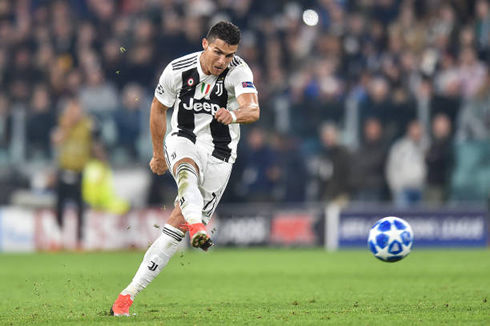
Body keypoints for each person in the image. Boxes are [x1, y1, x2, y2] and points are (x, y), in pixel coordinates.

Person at [110, 21, 260, 316]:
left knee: (172, 230)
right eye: (218, 52)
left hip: (221, 154)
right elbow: (157, 108)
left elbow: (253, 110)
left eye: (229, 55)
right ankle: (198, 227)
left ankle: (125, 298)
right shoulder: (178, 69)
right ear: (205, 44)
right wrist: (157, 154)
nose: (222, 61)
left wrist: (234, 114)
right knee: (185, 173)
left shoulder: (239, 71)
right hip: (184, 138)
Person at [51, 97, 94, 246]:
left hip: (79, 171)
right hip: (64, 170)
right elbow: (55, 140)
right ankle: (59, 237)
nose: (75, 113)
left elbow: (95, 141)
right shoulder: (63, 123)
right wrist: (67, 127)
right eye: (72, 110)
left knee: (80, 206)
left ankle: (80, 240)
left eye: (77, 110)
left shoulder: (87, 125)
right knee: (59, 205)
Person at [386, 120, 427, 208]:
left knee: (419, 220)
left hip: (419, 189)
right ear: (409, 130)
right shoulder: (400, 147)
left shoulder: (425, 146)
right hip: (403, 190)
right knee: (403, 219)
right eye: (414, 130)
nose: (417, 133)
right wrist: (396, 187)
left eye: (419, 130)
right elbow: (392, 168)